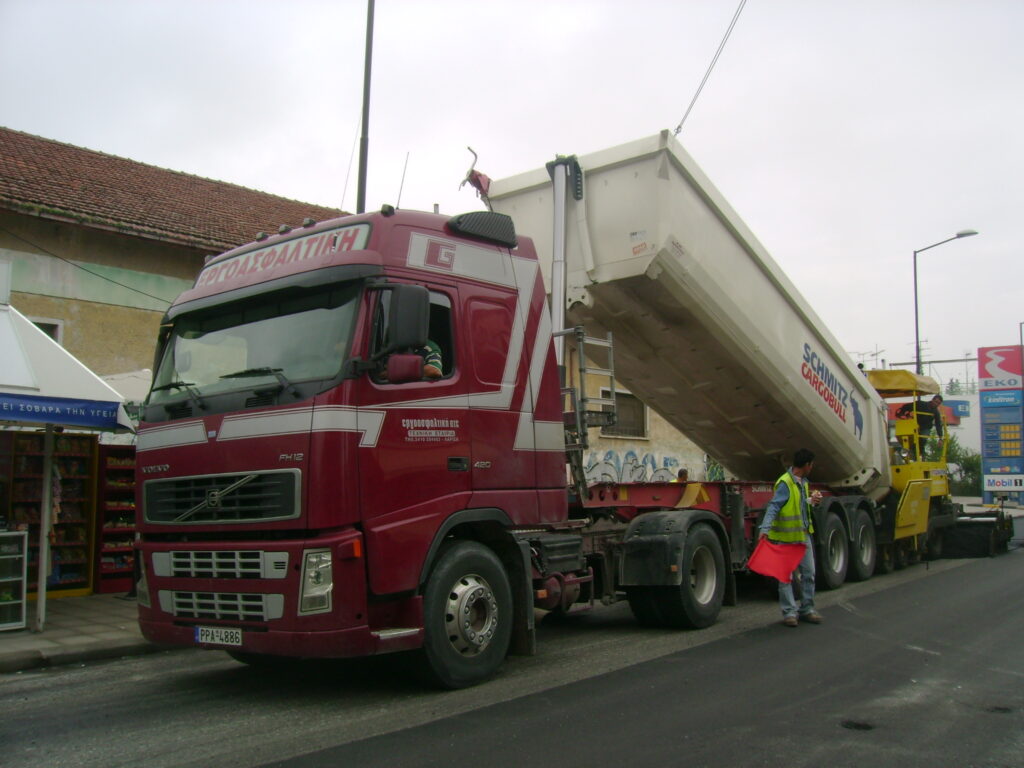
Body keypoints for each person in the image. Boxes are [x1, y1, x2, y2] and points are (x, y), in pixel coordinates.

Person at [758, 448, 823, 628]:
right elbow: (774, 506)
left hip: (803, 536)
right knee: (785, 578)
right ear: (807, 465)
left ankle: (807, 609)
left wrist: (812, 502)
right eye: (812, 465)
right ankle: (789, 613)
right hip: (786, 539)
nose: (812, 467)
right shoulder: (785, 483)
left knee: (809, 574)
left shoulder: (803, 482)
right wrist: (764, 528)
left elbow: (799, 505)